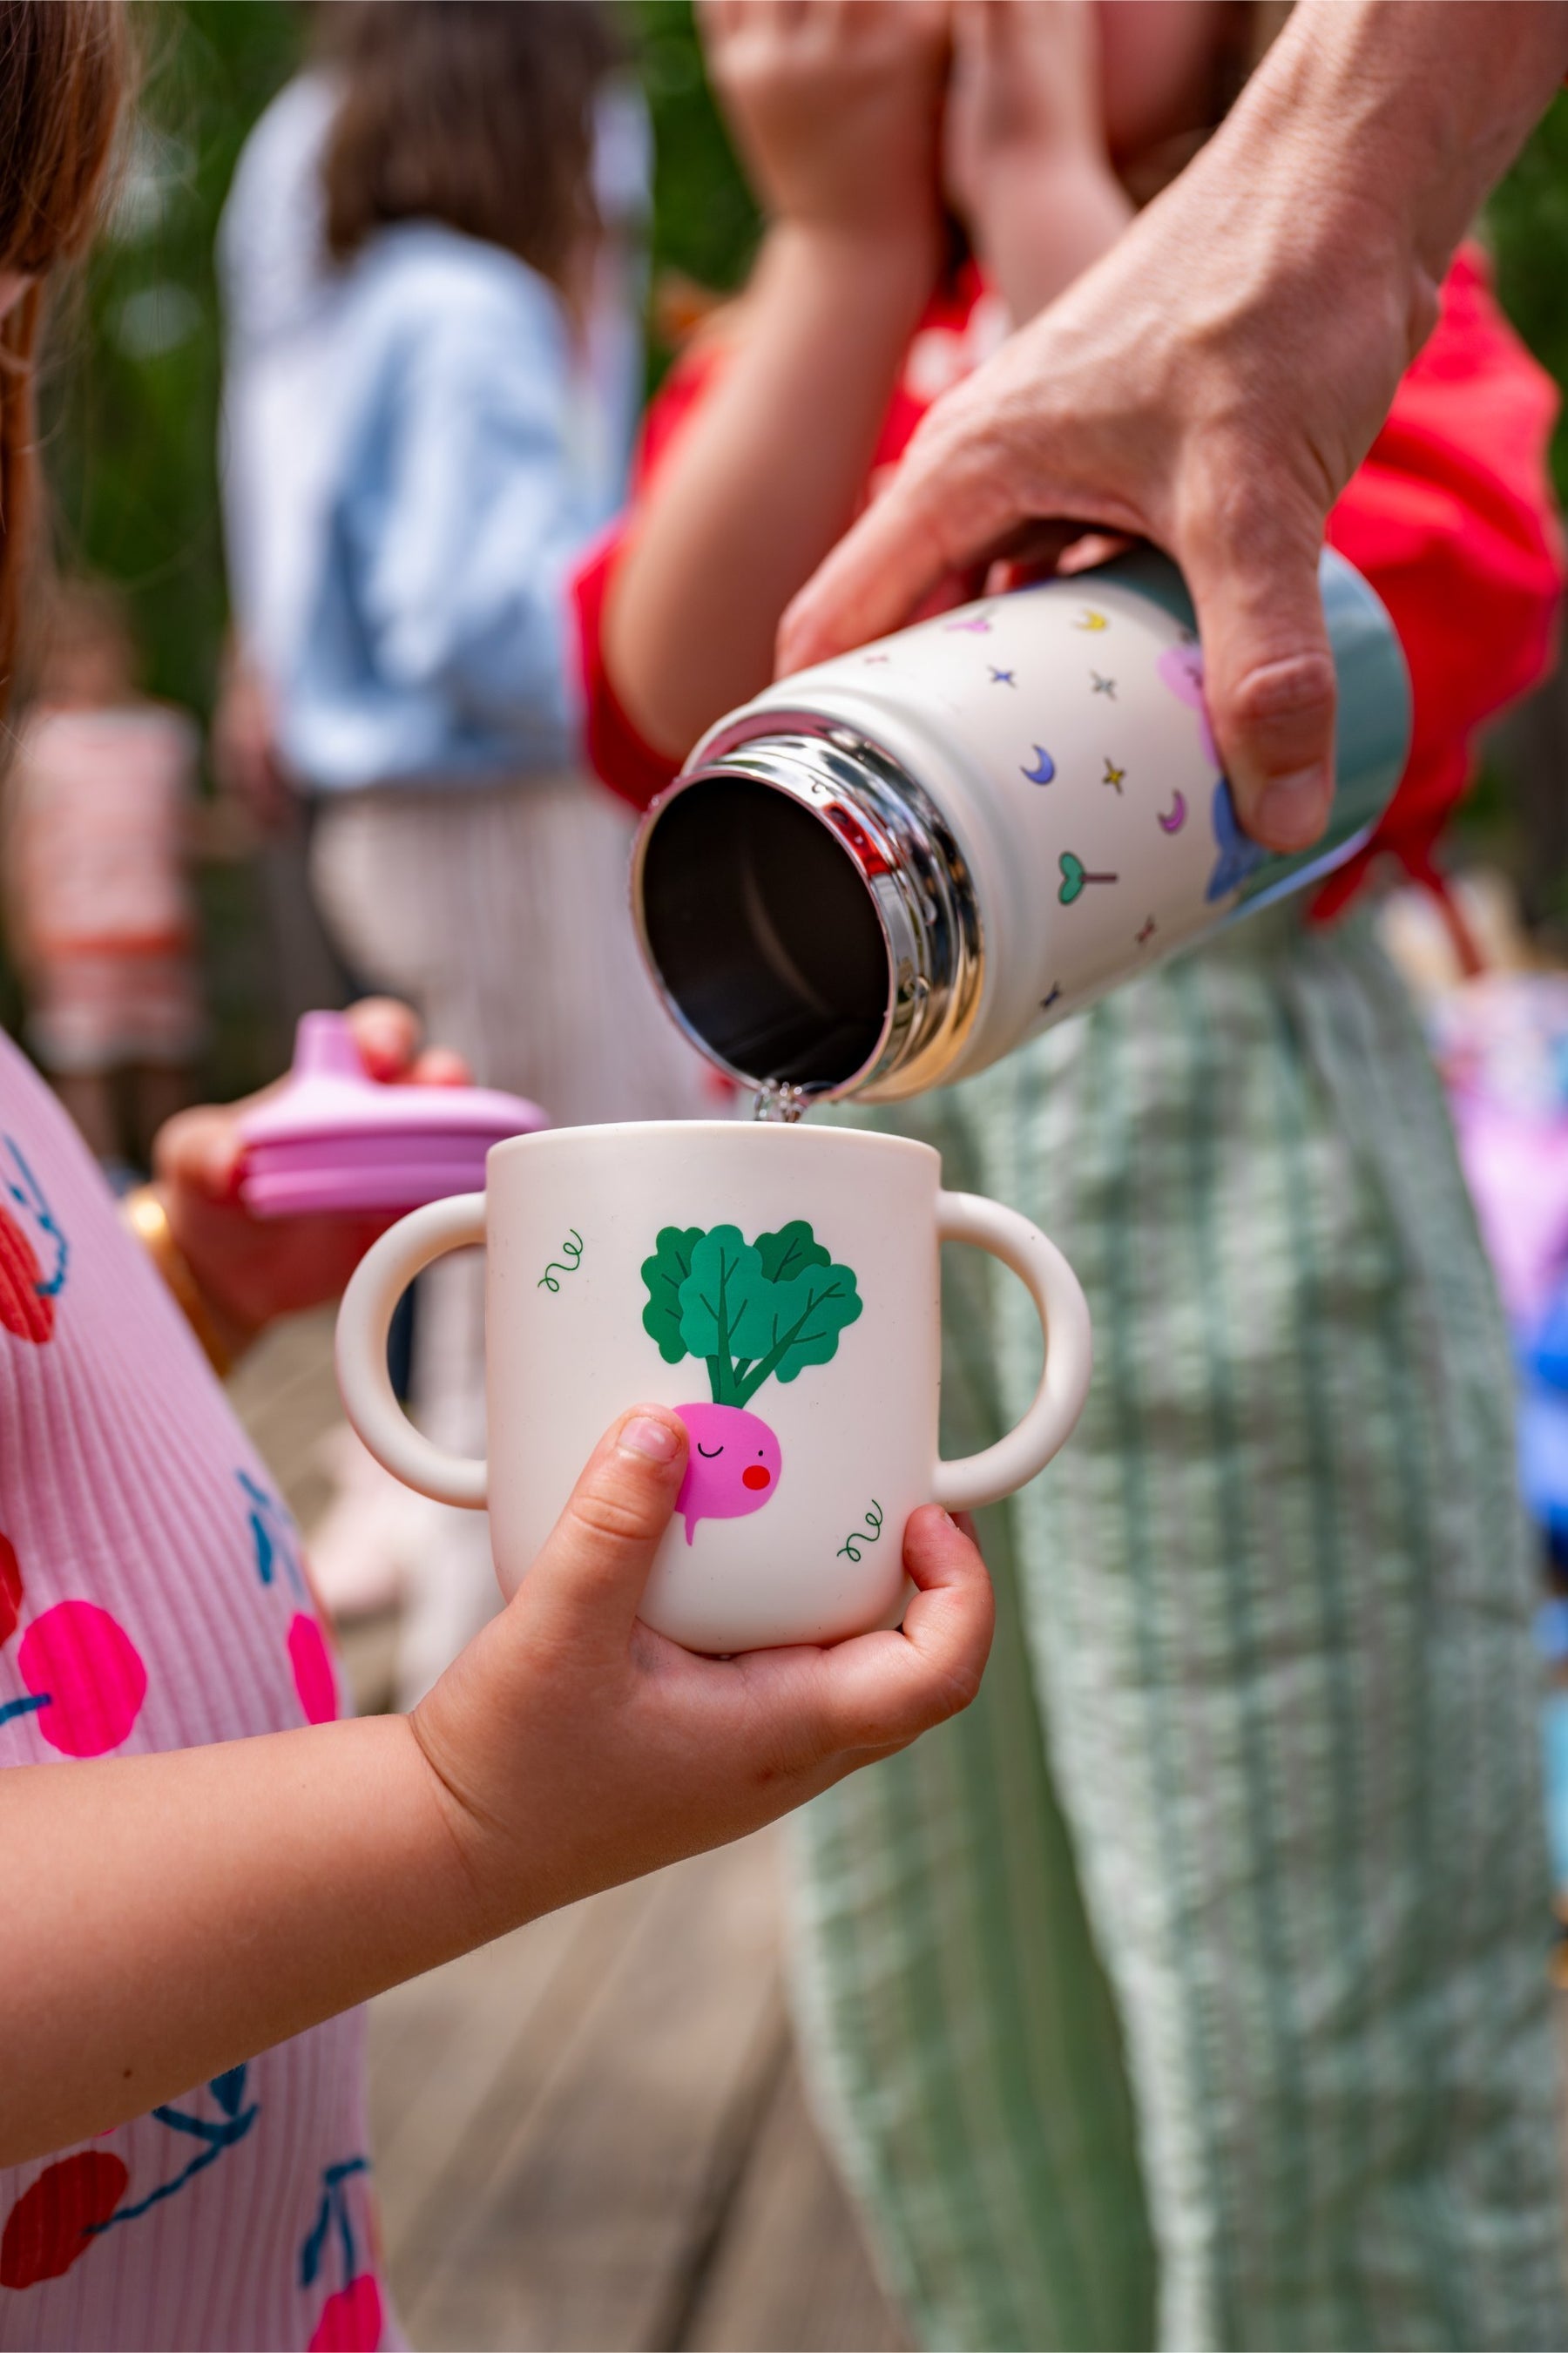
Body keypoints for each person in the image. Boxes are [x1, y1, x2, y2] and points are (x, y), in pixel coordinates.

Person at [575, 3, 1568, 2343]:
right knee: (948, 1977)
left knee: (1301, 1945)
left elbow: (1402, 610)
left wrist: (1057, 223)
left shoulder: (1357, 268)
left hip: (1236, 1231)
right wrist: (835, 240)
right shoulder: (835, 315)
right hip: (867, 1238)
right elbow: (672, 693)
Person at [0, 13, 993, 2345]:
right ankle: (535, 1591)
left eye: (17, 324)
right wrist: (462, 1800)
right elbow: (477, 618)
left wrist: (156, 1288)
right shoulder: (465, 314)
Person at [219, 0, 709, 1703]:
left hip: (410, 827)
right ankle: (520, 1654)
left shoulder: (372, 308)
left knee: (507, 1245)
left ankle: (481, 1633)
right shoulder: (479, 311)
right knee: (582, 1221)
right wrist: (662, 614)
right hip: (500, 814)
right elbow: (478, 619)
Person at [779, 0, 1568, 860]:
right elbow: (655, 720)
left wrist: (1037, 181)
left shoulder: (1363, 292)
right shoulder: (819, 341)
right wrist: (841, 243)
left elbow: (1425, 619)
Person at [3, 578, 204, 1177]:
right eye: (69, 652)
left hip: (157, 930)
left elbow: (183, 830)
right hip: (76, 938)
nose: (87, 666)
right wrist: (26, 935)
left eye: (98, 649)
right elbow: (22, 850)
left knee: (164, 1061)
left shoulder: (164, 734)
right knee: (86, 1064)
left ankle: (175, 1174)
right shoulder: (39, 744)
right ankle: (104, 1181)